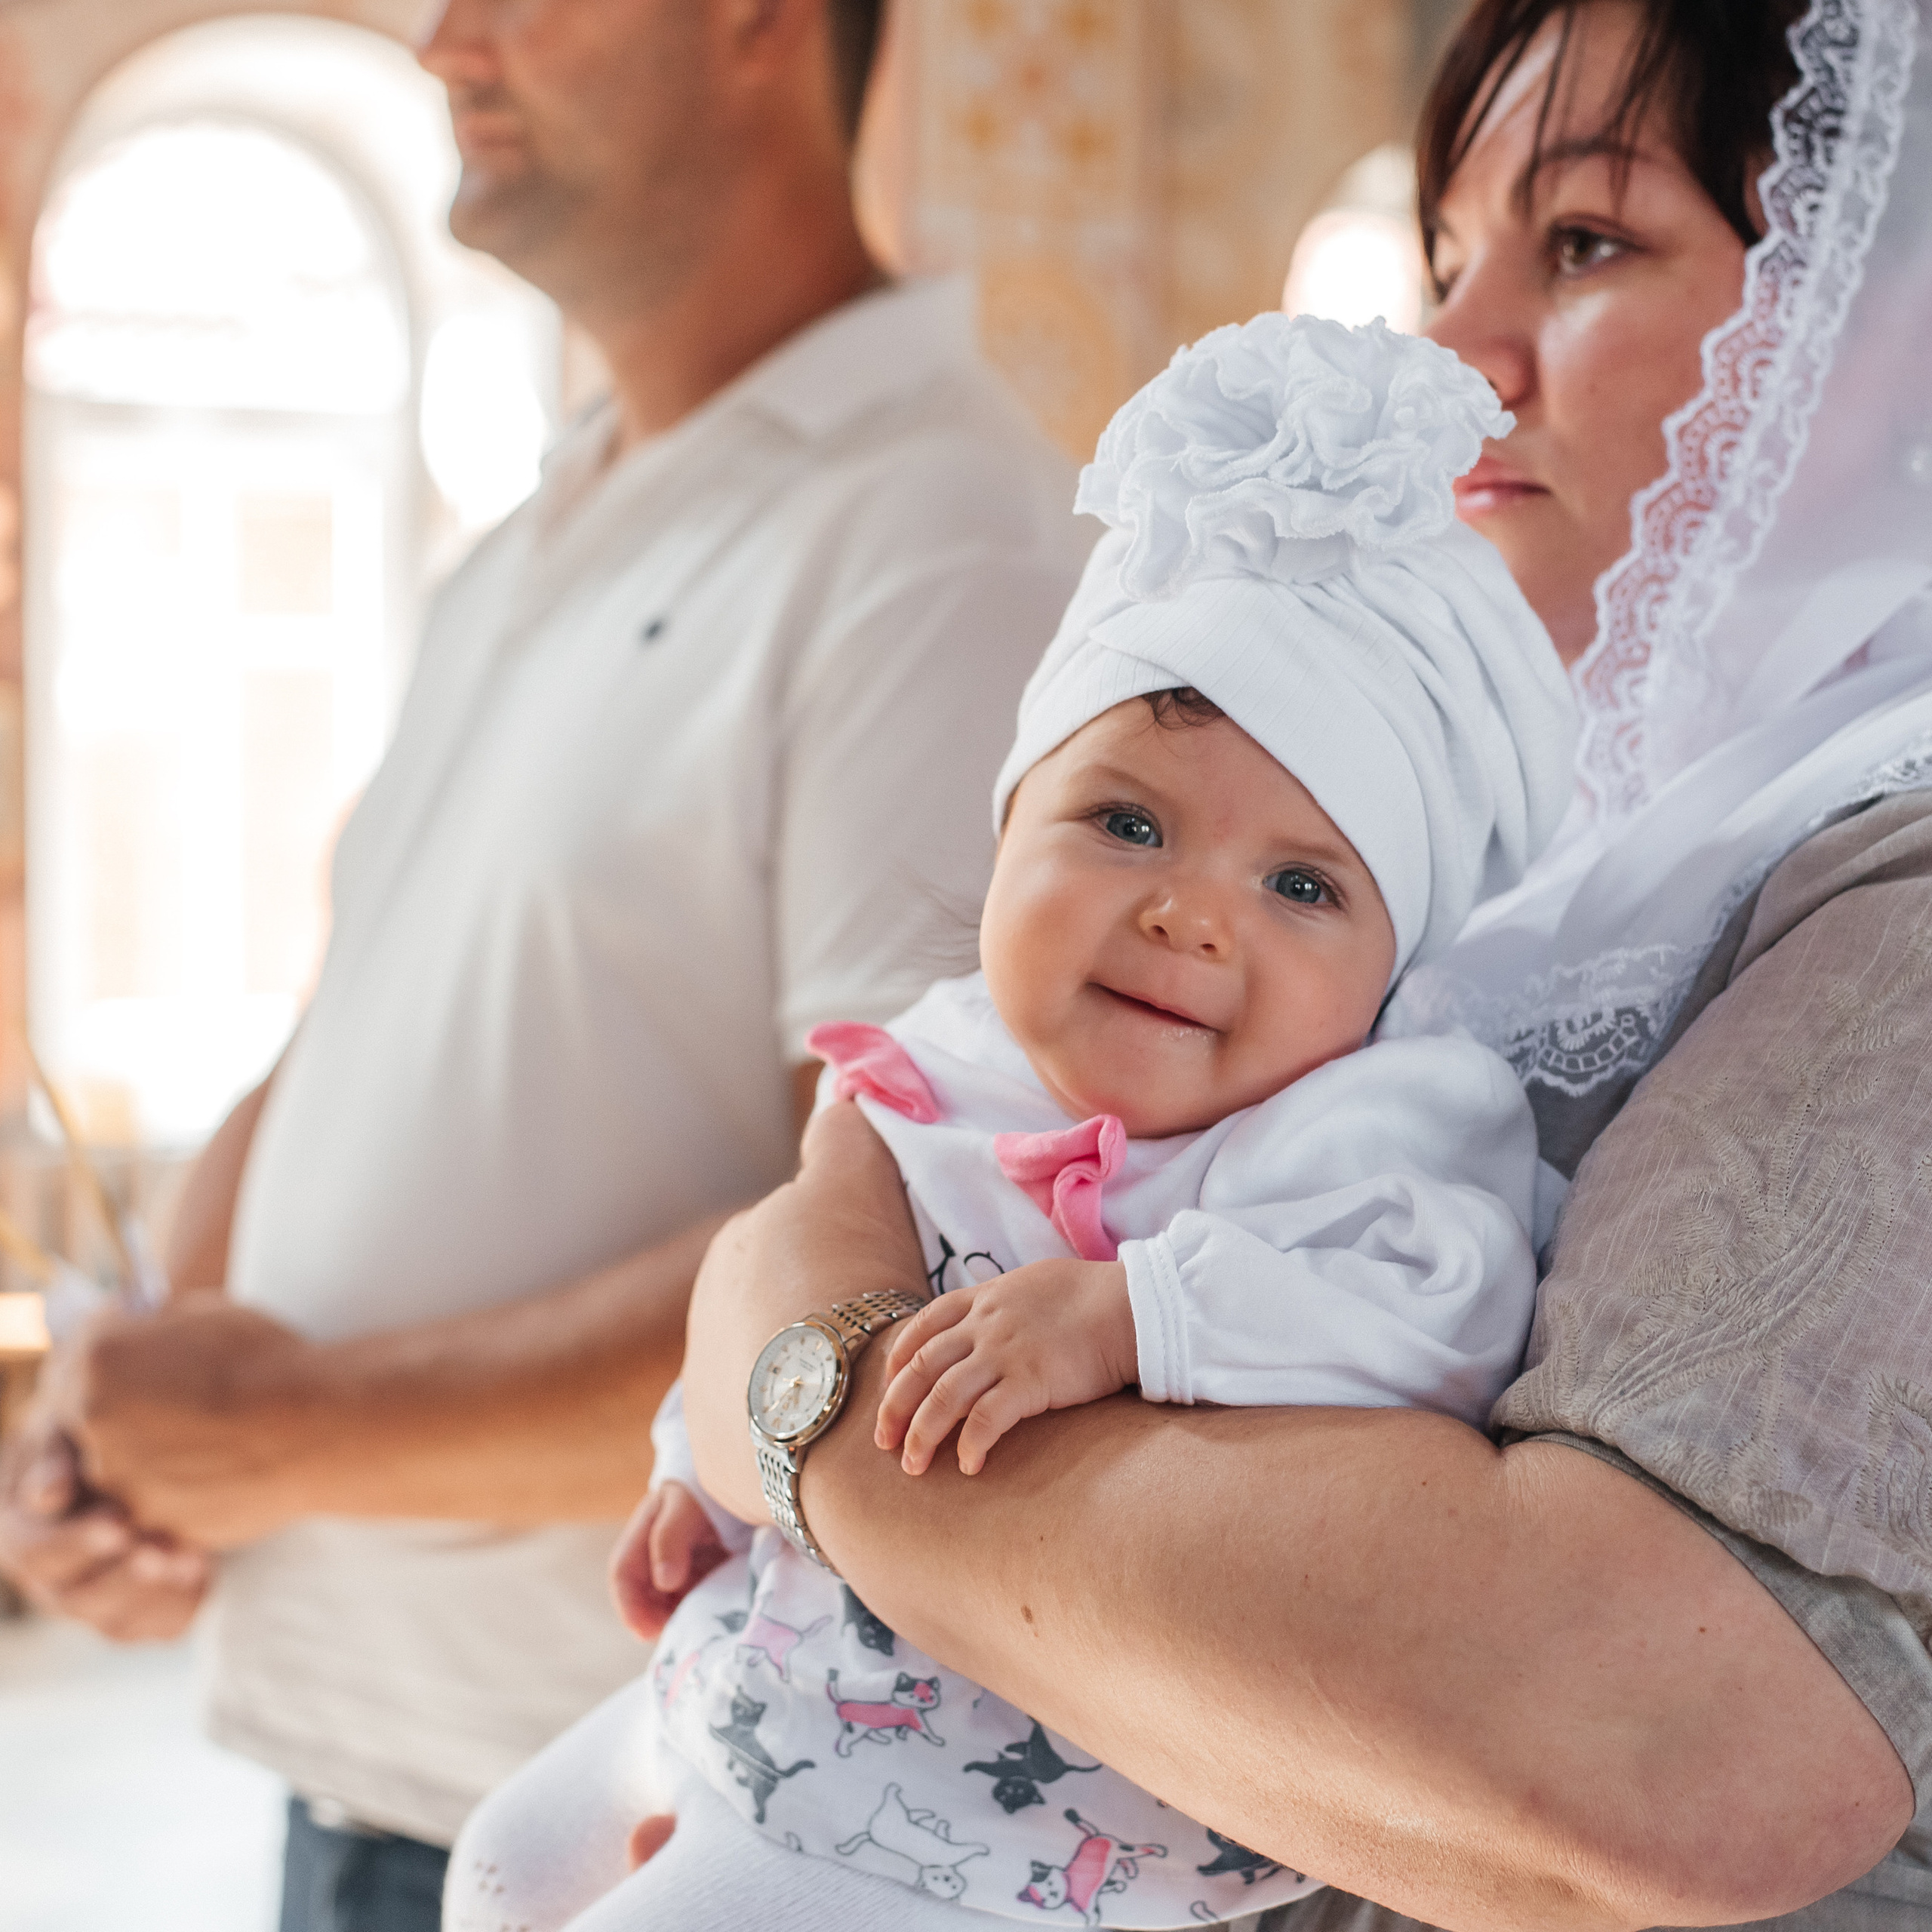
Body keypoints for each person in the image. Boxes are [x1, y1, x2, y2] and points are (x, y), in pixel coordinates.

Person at [660, 1, 1932, 1927]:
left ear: (1884, 303)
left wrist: (823, 1406)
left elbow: (1663, 1751)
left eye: (1583, 242)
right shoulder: (1592, 840)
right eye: (1442, 260)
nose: (1458, 351)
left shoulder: (1894, 861)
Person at [0, 1, 1088, 1927]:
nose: (444, 43)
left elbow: (895, 1242)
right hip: (340, 1766)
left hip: (612, 1819)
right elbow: (343, 1037)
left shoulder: (934, 527)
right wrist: (143, 1450)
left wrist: (281, 1435)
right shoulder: (524, 535)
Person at [441, 313, 1577, 1931]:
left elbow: (1437, 1309)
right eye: (1123, 821)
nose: (1191, 914)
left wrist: (1134, 1311)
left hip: (1009, 1804)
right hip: (793, 1661)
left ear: (1393, 971)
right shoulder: (951, 1055)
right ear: (1006, 818)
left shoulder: (1366, 1122)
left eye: (1302, 884)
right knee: (499, 1858)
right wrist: (689, 1471)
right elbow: (781, 1292)